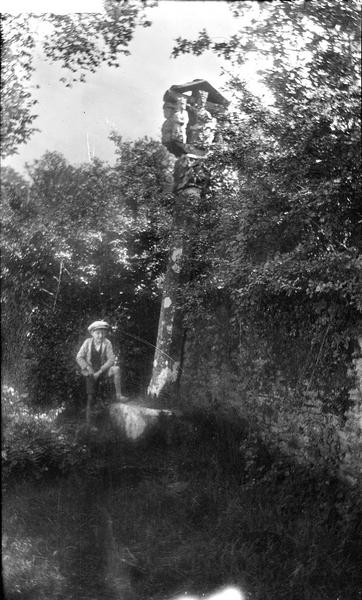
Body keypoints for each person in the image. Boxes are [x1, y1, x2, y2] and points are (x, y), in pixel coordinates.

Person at [76, 320, 127, 424]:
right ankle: (89, 423)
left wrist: (99, 372)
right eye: (98, 333)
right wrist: (88, 368)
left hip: (102, 371)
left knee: (116, 369)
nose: (100, 335)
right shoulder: (87, 342)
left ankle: (119, 395)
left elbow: (111, 359)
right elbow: (79, 357)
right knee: (91, 398)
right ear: (92, 333)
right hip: (90, 372)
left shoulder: (107, 343)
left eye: (103, 333)